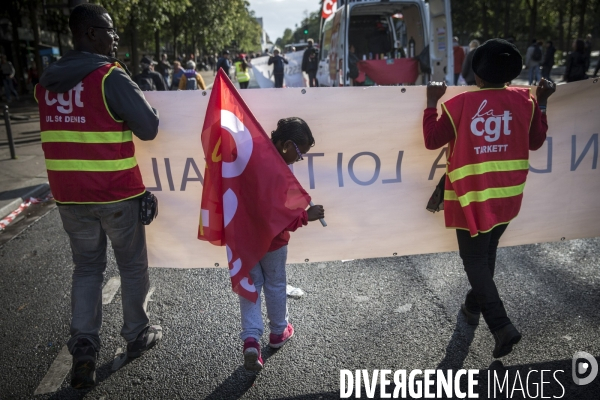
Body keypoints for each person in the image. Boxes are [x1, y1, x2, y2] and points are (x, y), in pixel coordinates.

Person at [36, 3, 162, 389]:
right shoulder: (109, 77)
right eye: (109, 30)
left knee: (87, 269)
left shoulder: (45, 82)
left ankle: (85, 349)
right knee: (131, 266)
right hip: (115, 194)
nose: (115, 36)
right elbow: (149, 128)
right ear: (89, 33)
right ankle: (137, 333)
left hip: (69, 196)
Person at [422, 38, 555, 359]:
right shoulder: (526, 102)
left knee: (476, 261)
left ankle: (501, 326)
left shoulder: (461, 104)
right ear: (511, 74)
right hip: (509, 196)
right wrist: (543, 102)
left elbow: (431, 140)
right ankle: (472, 306)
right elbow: (536, 142)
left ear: (477, 76)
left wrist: (430, 101)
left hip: (472, 198)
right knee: (487, 254)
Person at [240, 117, 325, 372]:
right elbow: (275, 213)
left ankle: (251, 340)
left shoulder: (249, 152)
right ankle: (278, 332)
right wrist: (304, 217)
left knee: (251, 287)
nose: (298, 161)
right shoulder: (276, 168)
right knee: (276, 283)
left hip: (243, 237)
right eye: (299, 155)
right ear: (287, 144)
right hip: (273, 241)